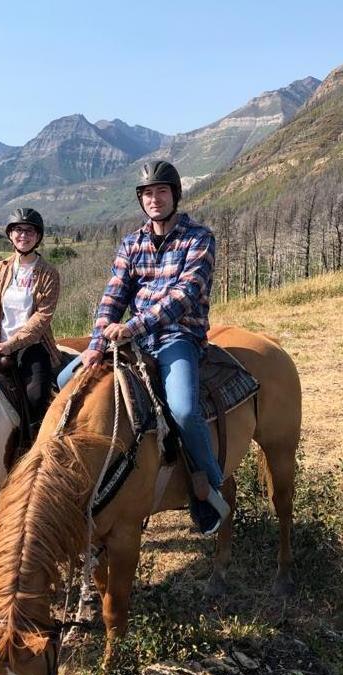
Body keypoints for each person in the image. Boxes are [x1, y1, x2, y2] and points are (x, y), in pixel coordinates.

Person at [57, 160, 229, 534]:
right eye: (147, 194)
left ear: (175, 195)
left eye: (161, 191)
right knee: (63, 383)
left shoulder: (199, 238)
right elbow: (112, 297)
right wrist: (97, 342)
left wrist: (132, 326)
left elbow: (184, 296)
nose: (154, 199)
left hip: (178, 336)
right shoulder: (131, 243)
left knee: (183, 410)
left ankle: (209, 488)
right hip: (132, 340)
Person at [0, 207, 60, 428]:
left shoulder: (48, 273)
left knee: (37, 397)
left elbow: (41, 318)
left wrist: (11, 345)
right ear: (10, 235)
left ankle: (31, 444)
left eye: (30, 231)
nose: (23, 235)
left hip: (31, 346)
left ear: (38, 237)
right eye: (18, 230)